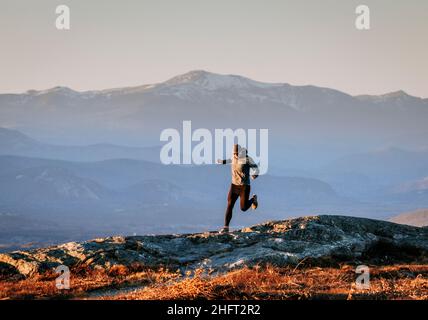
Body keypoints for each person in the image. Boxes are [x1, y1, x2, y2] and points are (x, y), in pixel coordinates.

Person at [217, 144, 259, 233]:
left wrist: (254, 175)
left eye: (236, 153)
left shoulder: (247, 159)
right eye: (234, 153)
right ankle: (226, 227)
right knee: (229, 204)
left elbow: (256, 168)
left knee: (243, 208)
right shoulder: (233, 157)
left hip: (244, 186)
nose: (235, 155)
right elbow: (230, 160)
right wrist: (222, 161)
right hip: (234, 186)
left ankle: (253, 199)